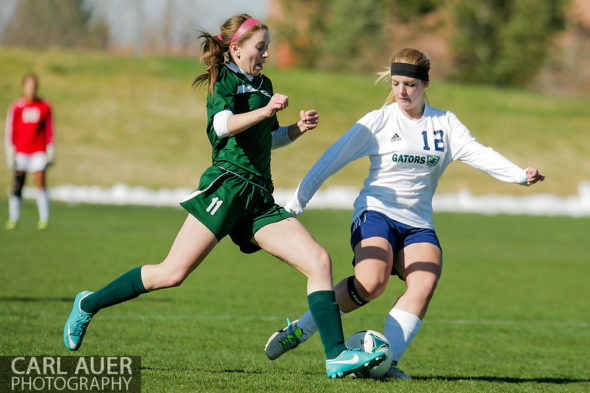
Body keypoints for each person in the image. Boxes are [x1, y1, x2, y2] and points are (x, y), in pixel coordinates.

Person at [62, 14, 384, 379]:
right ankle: (88, 303)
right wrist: (266, 111)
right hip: (227, 187)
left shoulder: (265, 84)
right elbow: (222, 126)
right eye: (259, 47)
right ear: (236, 48)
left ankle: (336, 355)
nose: (265, 54)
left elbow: (269, 138)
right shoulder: (224, 80)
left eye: (267, 48)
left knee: (319, 260)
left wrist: (296, 128)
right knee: (172, 273)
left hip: (259, 198)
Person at [264, 48, 545, 379]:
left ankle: (386, 362)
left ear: (426, 83)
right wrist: (297, 203)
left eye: (409, 84)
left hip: (418, 223)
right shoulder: (379, 121)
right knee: (371, 283)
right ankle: (302, 329)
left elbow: (479, 153)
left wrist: (518, 175)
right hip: (376, 212)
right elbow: (331, 159)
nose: (401, 91)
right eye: (396, 83)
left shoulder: (445, 124)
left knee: (425, 281)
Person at [4, 73, 55, 230]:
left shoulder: (44, 106)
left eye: (33, 87)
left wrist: (50, 148)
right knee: (18, 183)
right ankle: (14, 217)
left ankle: (44, 218)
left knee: (40, 181)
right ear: (23, 87)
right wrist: (10, 150)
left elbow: (49, 129)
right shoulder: (17, 107)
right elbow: (10, 129)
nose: (31, 90)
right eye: (28, 86)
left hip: (38, 150)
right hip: (21, 150)